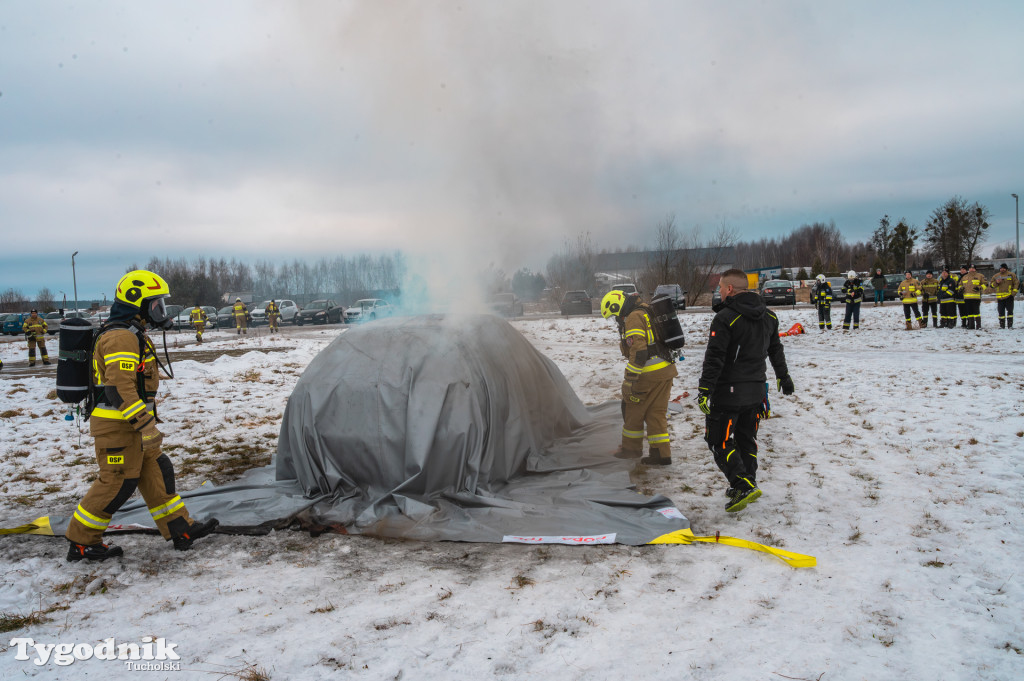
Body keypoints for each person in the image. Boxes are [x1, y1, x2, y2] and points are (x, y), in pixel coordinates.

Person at [65, 269, 218, 561]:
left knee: (158, 472)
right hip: (118, 427)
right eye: (156, 304)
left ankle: (180, 529)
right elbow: (118, 390)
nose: (160, 310)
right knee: (117, 482)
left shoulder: (132, 333)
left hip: (132, 426)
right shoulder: (121, 337)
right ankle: (82, 541)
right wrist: (146, 425)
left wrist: (144, 426)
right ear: (138, 303)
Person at [697, 269, 793, 512]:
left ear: (730, 289)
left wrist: (705, 389)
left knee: (719, 440)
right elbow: (776, 350)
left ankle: (743, 484)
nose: (718, 291)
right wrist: (784, 376)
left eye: (720, 287)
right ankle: (748, 482)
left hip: (729, 394)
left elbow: (714, 358)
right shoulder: (768, 317)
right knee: (745, 439)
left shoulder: (725, 318)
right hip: (756, 392)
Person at [600, 289, 678, 466]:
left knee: (632, 410)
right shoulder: (646, 310)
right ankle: (660, 454)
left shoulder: (634, 317)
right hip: (666, 371)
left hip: (648, 373)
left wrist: (629, 379)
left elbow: (640, 353)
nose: (617, 319)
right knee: (656, 413)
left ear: (617, 307)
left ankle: (630, 449)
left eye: (615, 315)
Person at [989, 263, 1019, 329]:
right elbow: (991, 286)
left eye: (1003, 268)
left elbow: (1016, 284)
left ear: (1006, 268)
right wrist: (996, 282)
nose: (1002, 269)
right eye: (1001, 268)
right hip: (1000, 297)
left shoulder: (1012, 275)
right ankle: (1002, 326)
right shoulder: (996, 276)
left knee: (1010, 311)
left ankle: (1010, 325)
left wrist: (1013, 293)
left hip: (1009, 296)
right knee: (1000, 312)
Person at [960, 264, 987, 329]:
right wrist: (960, 288)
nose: (972, 269)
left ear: (975, 269)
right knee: (969, 312)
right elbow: (960, 285)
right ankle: (971, 326)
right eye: (970, 268)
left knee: (976, 312)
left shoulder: (980, 276)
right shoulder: (964, 277)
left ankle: (978, 326)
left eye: (973, 268)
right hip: (967, 298)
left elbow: (986, 284)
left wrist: (979, 288)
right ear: (968, 269)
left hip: (976, 298)